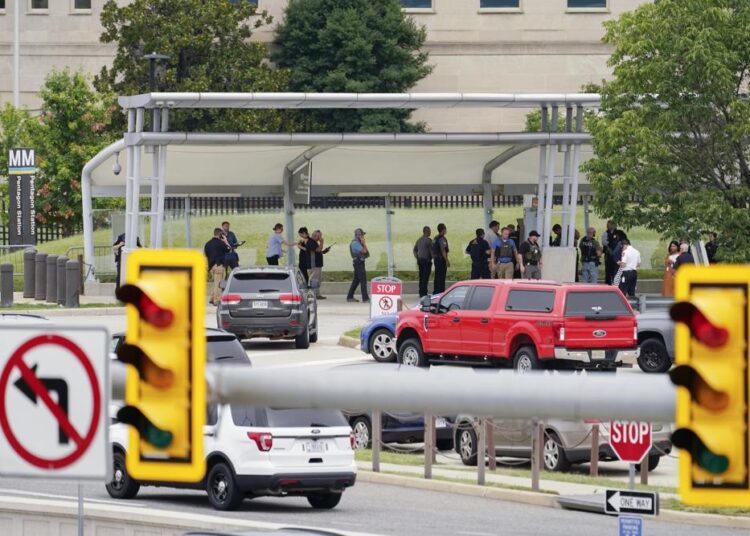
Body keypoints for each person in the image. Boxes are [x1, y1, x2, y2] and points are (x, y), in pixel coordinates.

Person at [204, 228, 231, 306]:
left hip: (211, 267)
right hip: (219, 266)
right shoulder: (221, 243)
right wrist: (225, 241)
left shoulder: (207, 244)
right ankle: (216, 300)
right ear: (220, 235)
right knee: (219, 284)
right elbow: (229, 249)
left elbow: (205, 255)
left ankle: (212, 298)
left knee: (216, 282)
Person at [347, 228, 369, 303]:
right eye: (362, 235)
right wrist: (364, 243)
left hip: (358, 263)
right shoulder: (355, 243)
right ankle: (365, 298)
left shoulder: (356, 243)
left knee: (356, 281)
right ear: (358, 235)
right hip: (358, 263)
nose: (363, 237)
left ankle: (350, 297)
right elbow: (364, 251)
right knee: (363, 280)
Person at [310, 229, 332, 299]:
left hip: (317, 264)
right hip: (315, 265)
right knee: (315, 280)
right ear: (315, 236)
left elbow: (317, 251)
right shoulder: (311, 242)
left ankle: (317, 294)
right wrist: (322, 242)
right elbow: (318, 250)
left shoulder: (314, 242)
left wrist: (323, 251)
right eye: (319, 236)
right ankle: (315, 295)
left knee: (318, 280)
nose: (320, 238)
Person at [413, 226, 433, 297]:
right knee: (425, 277)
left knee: (421, 277)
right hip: (426, 261)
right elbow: (431, 252)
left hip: (420, 261)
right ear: (426, 231)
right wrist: (434, 258)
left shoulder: (419, 240)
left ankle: (421, 292)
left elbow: (414, 250)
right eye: (429, 231)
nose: (430, 232)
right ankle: (424, 293)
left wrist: (417, 257)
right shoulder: (429, 241)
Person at [602, 220, 622, 285]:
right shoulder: (606, 233)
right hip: (609, 256)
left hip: (617, 256)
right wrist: (609, 249)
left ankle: (616, 284)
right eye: (607, 225)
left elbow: (624, 242)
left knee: (616, 271)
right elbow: (604, 243)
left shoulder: (620, 233)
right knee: (608, 271)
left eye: (609, 225)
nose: (607, 226)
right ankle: (608, 285)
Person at [432, 223, 449, 294]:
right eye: (445, 229)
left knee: (437, 276)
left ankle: (436, 291)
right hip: (441, 260)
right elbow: (443, 250)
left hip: (436, 259)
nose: (446, 230)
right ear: (443, 230)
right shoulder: (442, 239)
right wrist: (447, 260)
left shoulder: (435, 238)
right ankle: (441, 292)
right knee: (441, 277)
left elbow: (432, 249)